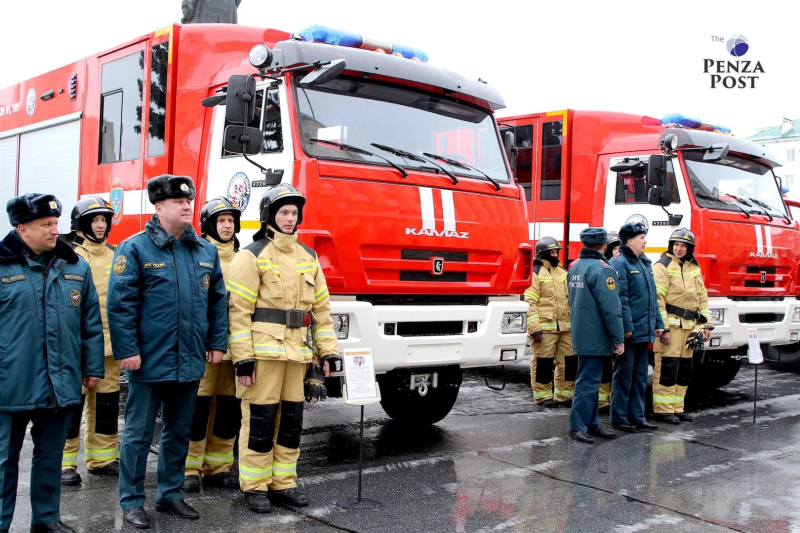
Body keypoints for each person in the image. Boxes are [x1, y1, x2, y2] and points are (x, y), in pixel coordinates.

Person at [108, 175, 228, 529]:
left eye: (189, 201)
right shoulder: (134, 248)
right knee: (138, 434)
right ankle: (131, 501)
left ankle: (170, 494)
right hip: (148, 361)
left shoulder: (205, 251)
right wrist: (127, 350)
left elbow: (217, 303)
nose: (187, 206)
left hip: (189, 359)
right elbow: (120, 305)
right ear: (158, 208)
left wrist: (216, 343)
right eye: (178, 202)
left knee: (179, 431)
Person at [227, 184, 340, 513]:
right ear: (269, 216)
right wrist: (243, 359)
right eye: (284, 212)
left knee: (291, 422)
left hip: (298, 356)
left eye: (294, 213)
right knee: (259, 421)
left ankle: (283, 483)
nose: (290, 219)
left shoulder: (309, 256)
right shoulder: (250, 255)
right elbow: (238, 313)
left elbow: (321, 312)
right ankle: (255, 486)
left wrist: (328, 351)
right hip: (262, 356)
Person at [0, 193, 104, 533]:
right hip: (9, 383)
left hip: (60, 381)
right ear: (22, 229)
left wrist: (91, 368)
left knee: (49, 458)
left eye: (56, 223)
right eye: (45, 225)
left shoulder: (76, 266)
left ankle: (45, 520)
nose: (54, 230)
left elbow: (90, 323)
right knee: (3, 462)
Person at [183, 197, 242, 492]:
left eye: (231, 221)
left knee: (228, 409)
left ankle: (219, 466)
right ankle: (190, 467)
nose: (227, 226)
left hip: (236, 347)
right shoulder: (197, 255)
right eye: (221, 221)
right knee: (198, 407)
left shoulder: (245, 257)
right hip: (204, 346)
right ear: (208, 224)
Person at [61, 197, 120, 487]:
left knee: (107, 405)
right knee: (72, 405)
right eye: (94, 220)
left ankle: (103, 458)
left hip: (110, 346)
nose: (100, 225)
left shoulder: (115, 254)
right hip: (76, 346)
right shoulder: (68, 255)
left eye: (104, 220)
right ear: (81, 223)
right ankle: (64, 463)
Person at [567, 227, 624, 444]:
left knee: (589, 379)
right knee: (588, 381)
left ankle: (591, 423)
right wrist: (618, 337)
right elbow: (610, 307)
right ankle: (578, 426)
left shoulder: (576, 266)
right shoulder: (603, 269)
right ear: (604, 245)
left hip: (581, 330)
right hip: (597, 332)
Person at [652, 228, 712, 424]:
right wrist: (663, 327)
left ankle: (678, 408)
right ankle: (663, 410)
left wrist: (706, 326)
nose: (679, 249)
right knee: (667, 369)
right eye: (676, 245)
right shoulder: (662, 265)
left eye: (683, 246)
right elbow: (657, 299)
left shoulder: (694, 267)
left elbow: (702, 299)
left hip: (690, 327)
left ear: (689, 248)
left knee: (684, 369)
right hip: (671, 326)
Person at [610, 222, 663, 433]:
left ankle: (637, 416)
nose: (645, 241)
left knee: (640, 376)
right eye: (642, 237)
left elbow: (653, 299)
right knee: (624, 376)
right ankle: (619, 418)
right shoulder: (620, 264)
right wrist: (626, 328)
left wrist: (659, 324)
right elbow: (620, 299)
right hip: (630, 333)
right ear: (630, 240)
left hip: (644, 331)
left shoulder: (644, 263)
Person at [525, 237, 574, 408]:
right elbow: (529, 302)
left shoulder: (563, 272)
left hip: (566, 328)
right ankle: (543, 396)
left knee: (568, 362)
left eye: (557, 252)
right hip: (544, 329)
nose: (555, 255)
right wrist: (534, 329)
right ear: (543, 254)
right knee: (542, 363)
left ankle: (565, 395)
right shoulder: (535, 273)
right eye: (552, 252)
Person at [597, 231, 621, 412]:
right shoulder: (605, 269)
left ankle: (605, 400)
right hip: (601, 327)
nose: (617, 251)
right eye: (614, 248)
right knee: (602, 366)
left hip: (612, 325)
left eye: (619, 248)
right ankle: (600, 401)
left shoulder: (615, 268)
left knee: (610, 366)